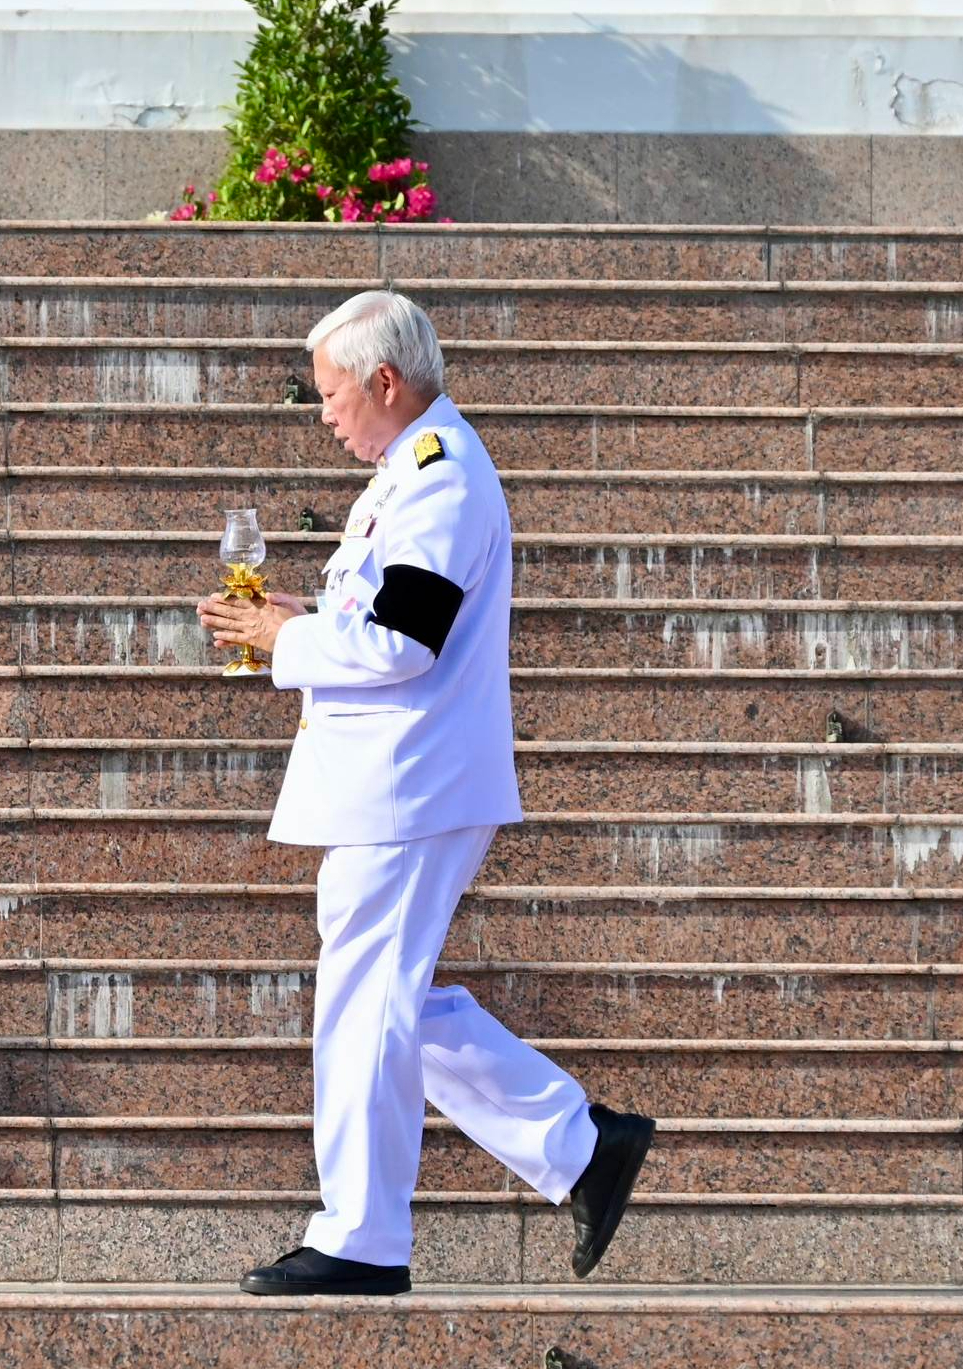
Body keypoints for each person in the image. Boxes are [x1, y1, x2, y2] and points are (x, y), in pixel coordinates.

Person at [196, 290, 654, 1296]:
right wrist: (309, 618)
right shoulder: (412, 470)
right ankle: (579, 1143)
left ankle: (361, 1238)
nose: (324, 413)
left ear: (384, 381)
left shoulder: (439, 477)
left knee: (365, 1005)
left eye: (331, 394)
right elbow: (388, 616)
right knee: (383, 999)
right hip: (395, 780)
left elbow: (405, 642)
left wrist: (287, 638)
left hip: (409, 783)